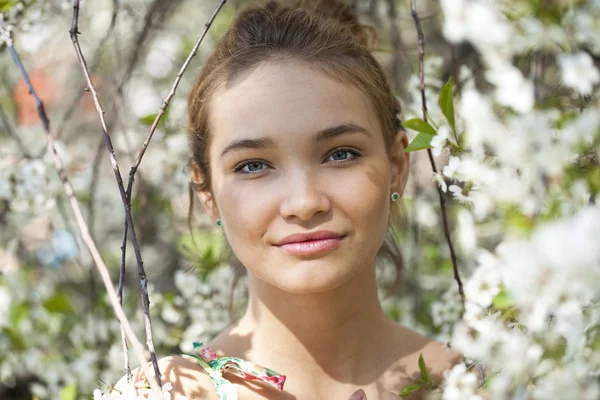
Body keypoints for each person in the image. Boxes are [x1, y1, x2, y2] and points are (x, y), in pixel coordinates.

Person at [117, 0, 460, 398]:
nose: (304, 202)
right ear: (206, 190)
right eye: (252, 165)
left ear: (398, 164)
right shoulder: (166, 393)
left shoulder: (481, 385)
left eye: (340, 154)